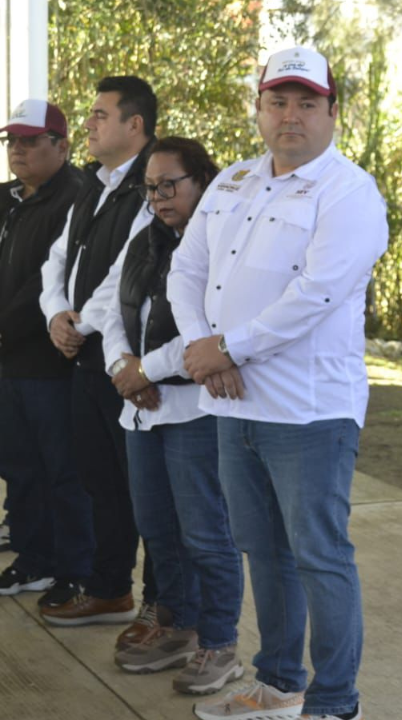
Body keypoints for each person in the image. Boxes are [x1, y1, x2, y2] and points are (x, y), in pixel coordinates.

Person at [170, 46, 387, 720]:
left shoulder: (349, 191)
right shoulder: (232, 180)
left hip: (309, 412)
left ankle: (335, 701)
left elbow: (317, 294)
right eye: (278, 101)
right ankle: (278, 684)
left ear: (332, 111)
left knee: (320, 556)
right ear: (259, 108)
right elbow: (186, 272)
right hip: (235, 404)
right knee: (263, 551)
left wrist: (227, 348)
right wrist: (206, 349)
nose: (291, 115)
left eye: (307, 102)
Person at [98, 137, 245, 695]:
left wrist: (146, 371)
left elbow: (209, 330)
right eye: (150, 188)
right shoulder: (145, 238)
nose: (158, 197)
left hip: (194, 410)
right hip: (141, 411)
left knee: (206, 534)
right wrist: (122, 366)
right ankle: (179, 626)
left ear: (201, 181)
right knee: (158, 530)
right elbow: (113, 309)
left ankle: (219, 643)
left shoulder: (222, 243)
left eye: (169, 185)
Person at [38, 76, 158, 629]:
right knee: (100, 482)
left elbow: (129, 269)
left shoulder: (153, 182)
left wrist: (79, 323)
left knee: (147, 493)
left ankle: (164, 606)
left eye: (100, 114)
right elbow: (57, 258)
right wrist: (55, 314)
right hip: (86, 359)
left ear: (135, 124)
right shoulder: (95, 183)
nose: (88, 123)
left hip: (128, 361)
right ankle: (110, 590)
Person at [0, 100, 94, 604]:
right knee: (20, 468)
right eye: (12, 141)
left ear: (62, 146)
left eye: (31, 141)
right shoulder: (8, 197)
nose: (18, 149)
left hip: (50, 362)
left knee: (63, 471)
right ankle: (33, 559)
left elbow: (48, 282)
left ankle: (75, 571)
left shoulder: (76, 197)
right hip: (9, 363)